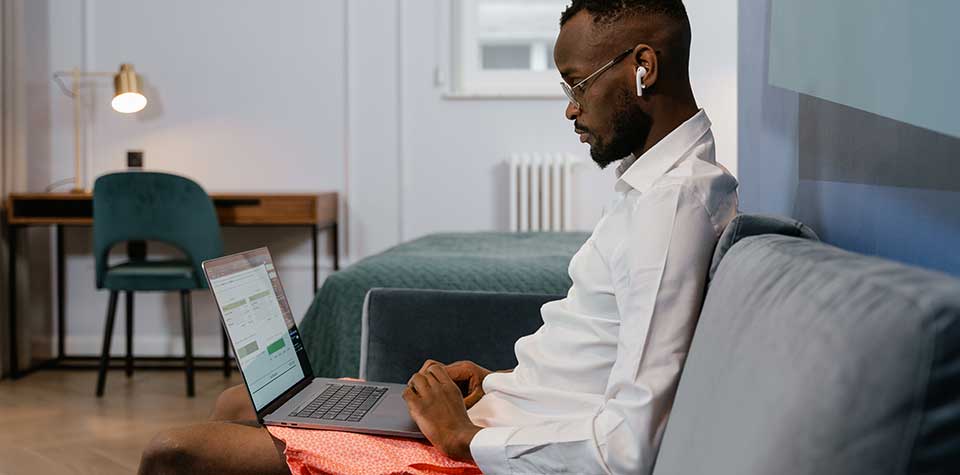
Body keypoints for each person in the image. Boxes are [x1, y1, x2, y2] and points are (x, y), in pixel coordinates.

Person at [137, 1, 738, 473]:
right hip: (500, 411)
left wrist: (463, 436)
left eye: (577, 84)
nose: (571, 109)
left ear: (643, 68)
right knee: (237, 404)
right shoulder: (653, 188)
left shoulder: (672, 206)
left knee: (174, 451)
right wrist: (500, 381)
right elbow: (598, 362)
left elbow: (629, 447)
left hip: (479, 450)